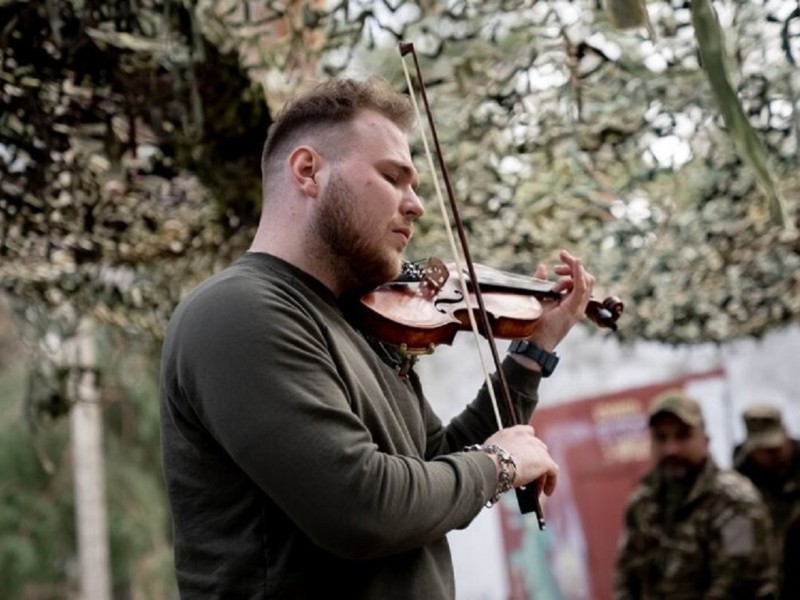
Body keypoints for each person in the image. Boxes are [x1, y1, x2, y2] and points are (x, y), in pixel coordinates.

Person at [159, 77, 595, 598]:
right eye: (393, 177)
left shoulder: (362, 321)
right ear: (308, 170)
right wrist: (498, 464)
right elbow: (363, 508)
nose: (417, 205)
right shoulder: (239, 313)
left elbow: (432, 465)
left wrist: (532, 352)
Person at [613, 389, 778, 599]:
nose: (670, 449)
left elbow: (739, 581)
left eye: (682, 436)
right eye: (661, 438)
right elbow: (626, 577)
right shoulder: (642, 503)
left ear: (705, 440)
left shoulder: (736, 501)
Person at [734, 404, 800, 593]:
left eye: (775, 446)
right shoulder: (735, 490)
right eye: (763, 448)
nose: (771, 454)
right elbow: (737, 549)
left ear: (786, 434)